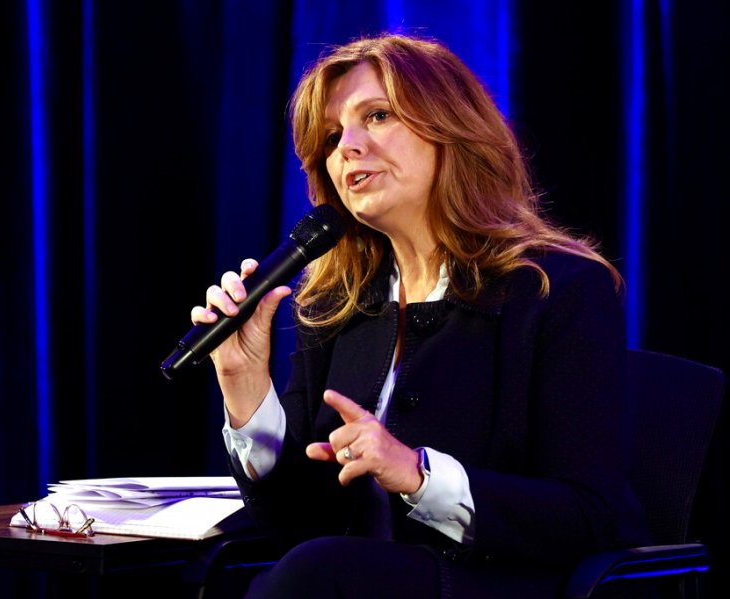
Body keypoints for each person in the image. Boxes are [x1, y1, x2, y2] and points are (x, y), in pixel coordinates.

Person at [189, 32, 651, 598]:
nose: (347, 148)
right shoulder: (334, 304)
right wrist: (244, 386)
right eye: (332, 138)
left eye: (377, 116)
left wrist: (417, 474)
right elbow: (299, 531)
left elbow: (591, 516)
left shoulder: (558, 290)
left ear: (451, 129)